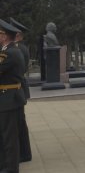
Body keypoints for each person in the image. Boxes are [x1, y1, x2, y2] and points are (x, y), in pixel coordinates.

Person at [0, 19, 26, 173]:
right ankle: (5, 165)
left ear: (4, 36)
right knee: (5, 135)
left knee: (9, 137)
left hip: (8, 99)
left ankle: (10, 169)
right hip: (8, 98)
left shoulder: (8, 53)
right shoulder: (10, 50)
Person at [9, 18, 32, 163]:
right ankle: (24, 153)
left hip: (17, 90)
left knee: (18, 124)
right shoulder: (19, 47)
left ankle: (23, 154)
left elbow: (18, 71)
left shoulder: (19, 48)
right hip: (18, 89)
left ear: (17, 34)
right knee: (20, 123)